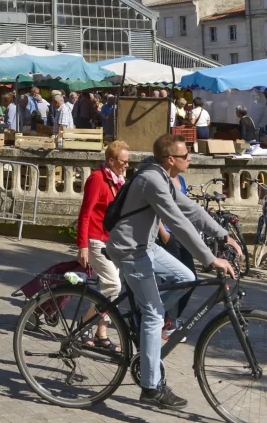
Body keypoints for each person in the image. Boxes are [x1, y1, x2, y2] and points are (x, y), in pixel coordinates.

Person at [106, 134, 240, 408]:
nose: (190, 158)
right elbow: (177, 222)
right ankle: (151, 387)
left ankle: (147, 323)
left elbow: (190, 210)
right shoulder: (152, 180)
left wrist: (223, 235)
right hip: (130, 249)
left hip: (146, 246)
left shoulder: (163, 177)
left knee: (186, 278)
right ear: (171, 159)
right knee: (155, 315)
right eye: (185, 155)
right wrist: (209, 258)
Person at [76, 140, 130, 349]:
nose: (127, 165)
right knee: (113, 285)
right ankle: (83, 324)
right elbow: (85, 213)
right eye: (123, 161)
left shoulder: (118, 180)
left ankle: (101, 331)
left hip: (112, 241)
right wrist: (82, 245)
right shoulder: (97, 179)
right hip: (96, 240)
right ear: (111, 161)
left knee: (109, 289)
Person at [156, 168, 194, 337]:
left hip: (182, 235)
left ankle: (171, 318)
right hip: (168, 236)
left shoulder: (181, 180)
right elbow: (153, 206)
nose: (189, 158)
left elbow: (185, 209)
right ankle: (168, 322)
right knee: (174, 281)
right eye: (185, 155)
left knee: (192, 279)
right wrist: (162, 231)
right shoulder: (162, 180)